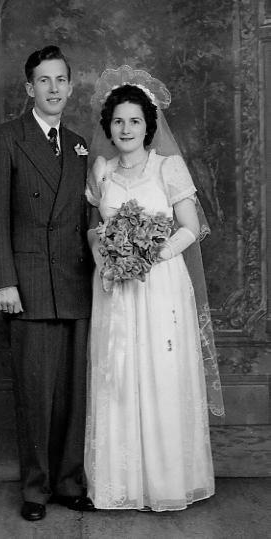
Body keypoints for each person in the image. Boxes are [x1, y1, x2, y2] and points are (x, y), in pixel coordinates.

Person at [84, 66, 224, 511]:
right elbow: (93, 229)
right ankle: (119, 485)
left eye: (135, 121)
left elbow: (191, 226)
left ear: (149, 126)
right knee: (118, 374)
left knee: (160, 372)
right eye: (118, 121)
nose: (125, 129)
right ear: (108, 125)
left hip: (160, 284)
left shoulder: (168, 166)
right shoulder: (102, 170)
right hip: (114, 286)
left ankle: (165, 482)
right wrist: (108, 253)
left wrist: (149, 255)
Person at [0, 45, 95, 521]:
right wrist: (5, 281)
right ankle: (34, 489)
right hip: (26, 284)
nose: (53, 89)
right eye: (43, 81)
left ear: (70, 87)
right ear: (29, 88)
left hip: (74, 283)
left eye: (60, 80)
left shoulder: (80, 145)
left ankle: (68, 483)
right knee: (34, 392)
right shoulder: (4, 138)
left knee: (72, 393)